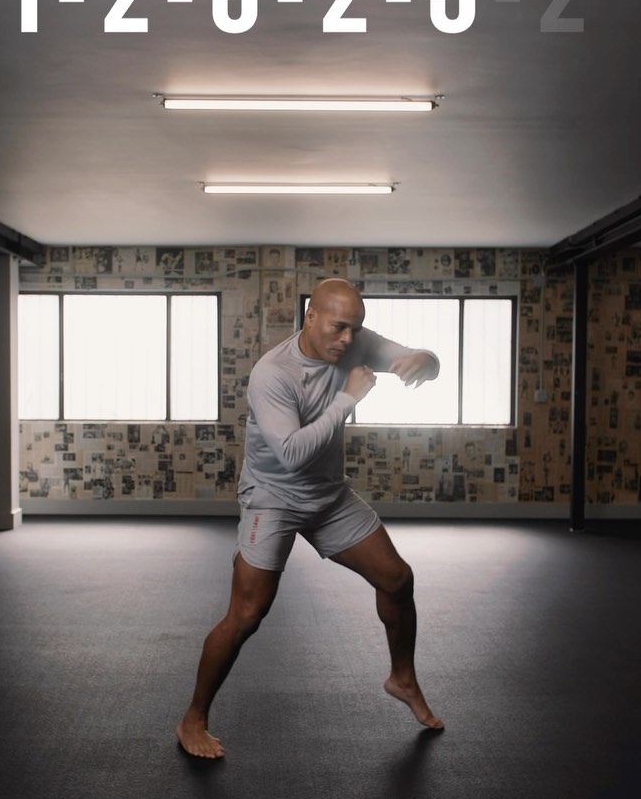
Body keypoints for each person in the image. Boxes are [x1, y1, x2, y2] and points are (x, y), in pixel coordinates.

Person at [176, 277, 444, 759]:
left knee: (397, 579)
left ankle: (402, 678)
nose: (348, 339)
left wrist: (427, 360)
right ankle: (193, 717)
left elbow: (413, 358)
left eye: (355, 328)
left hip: (327, 496)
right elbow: (292, 454)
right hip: (272, 497)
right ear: (311, 317)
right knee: (247, 615)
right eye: (339, 327)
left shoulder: (356, 340)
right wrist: (349, 399)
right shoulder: (272, 374)